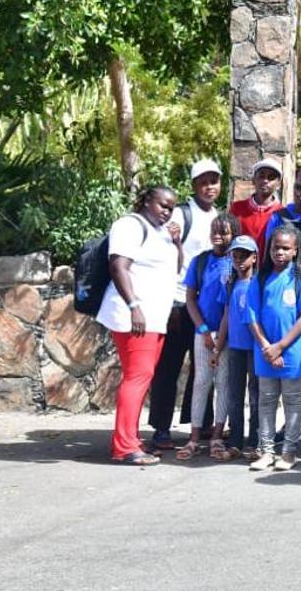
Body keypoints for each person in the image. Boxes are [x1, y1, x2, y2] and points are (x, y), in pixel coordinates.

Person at [98, 186, 183, 466]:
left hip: (155, 317)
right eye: (162, 205)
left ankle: (130, 440)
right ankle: (124, 447)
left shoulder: (160, 231)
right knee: (138, 377)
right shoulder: (130, 225)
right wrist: (134, 306)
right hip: (135, 316)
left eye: (171, 207)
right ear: (147, 200)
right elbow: (118, 267)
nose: (167, 211)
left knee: (141, 377)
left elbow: (175, 268)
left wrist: (178, 242)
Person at [149, 160, 221, 452]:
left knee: (203, 367)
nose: (209, 186)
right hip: (178, 302)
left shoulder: (218, 216)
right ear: (193, 185)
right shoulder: (181, 214)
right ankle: (161, 428)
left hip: (205, 305)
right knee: (169, 365)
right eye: (203, 181)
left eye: (214, 180)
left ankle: (201, 423)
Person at [246, 225, 301, 472]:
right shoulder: (261, 277)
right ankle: (266, 450)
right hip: (264, 351)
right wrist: (267, 347)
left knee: (292, 400)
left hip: (293, 351)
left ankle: (289, 451)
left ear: (295, 250)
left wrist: (280, 346)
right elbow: (252, 316)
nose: (279, 252)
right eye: (275, 247)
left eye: (285, 248)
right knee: (266, 401)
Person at [176, 214, 239, 461]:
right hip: (202, 333)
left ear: (233, 235)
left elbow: (228, 307)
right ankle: (193, 437)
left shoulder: (236, 263)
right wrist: (202, 330)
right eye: (215, 230)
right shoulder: (200, 261)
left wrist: (219, 339)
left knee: (223, 383)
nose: (218, 236)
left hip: (227, 334)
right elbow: (190, 298)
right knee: (201, 382)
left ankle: (216, 436)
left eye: (224, 232)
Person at [221, 235, 260, 461]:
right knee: (234, 395)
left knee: (256, 396)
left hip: (255, 347)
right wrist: (218, 346)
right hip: (234, 347)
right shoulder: (230, 283)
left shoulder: (259, 283)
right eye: (235, 255)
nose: (239, 260)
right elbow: (226, 315)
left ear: (254, 257)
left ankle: (254, 442)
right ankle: (235, 440)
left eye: (244, 255)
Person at [229, 158, 283, 254]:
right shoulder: (237, 209)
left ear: (278, 184)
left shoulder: (282, 213)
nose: (265, 181)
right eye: (261, 176)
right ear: (254, 180)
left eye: (271, 177)